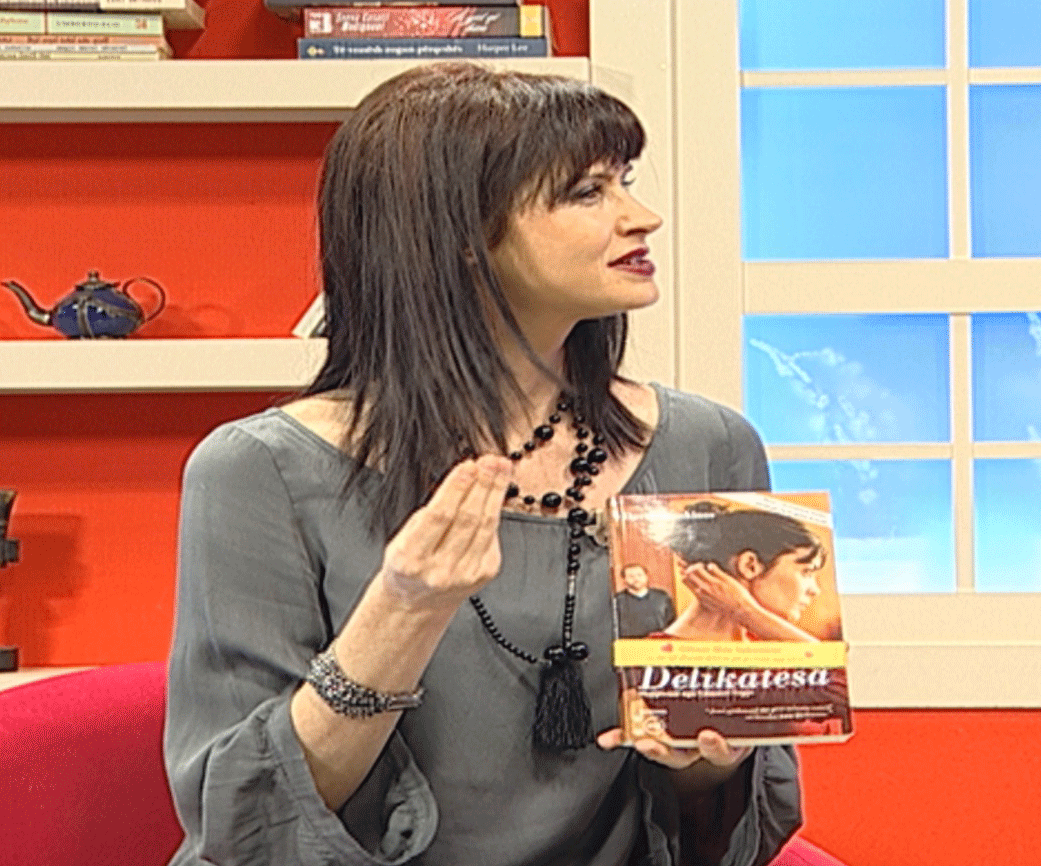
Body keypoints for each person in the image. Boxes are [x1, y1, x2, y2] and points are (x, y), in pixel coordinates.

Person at [163, 62, 801, 866]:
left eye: (626, 182)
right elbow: (245, 824)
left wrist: (707, 761)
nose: (642, 218)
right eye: (586, 192)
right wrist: (403, 611)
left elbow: (734, 817)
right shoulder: (259, 471)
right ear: (459, 235)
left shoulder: (709, 445)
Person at [662, 505, 826, 643]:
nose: (815, 590)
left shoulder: (766, 642)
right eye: (807, 572)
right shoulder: (660, 655)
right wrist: (744, 611)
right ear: (749, 565)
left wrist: (745, 612)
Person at [614, 563, 676, 638]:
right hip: (627, 642)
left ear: (646, 576)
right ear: (624, 579)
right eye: (631, 576)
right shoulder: (617, 600)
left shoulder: (662, 597)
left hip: (657, 642)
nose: (636, 579)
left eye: (639, 575)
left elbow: (672, 623)